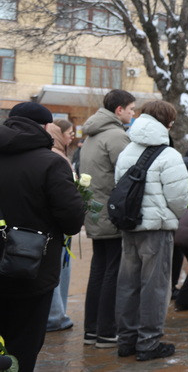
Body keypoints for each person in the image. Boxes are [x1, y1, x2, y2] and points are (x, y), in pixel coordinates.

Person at [0, 102, 84, 372]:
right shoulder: (50, 163)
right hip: (30, 269)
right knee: (23, 344)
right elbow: (72, 220)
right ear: (47, 126)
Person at [114, 100, 188, 361]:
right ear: (167, 121)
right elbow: (179, 199)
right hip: (156, 229)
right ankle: (148, 343)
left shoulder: (127, 151)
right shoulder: (168, 155)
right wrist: (172, 216)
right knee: (154, 286)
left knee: (127, 284)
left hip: (130, 225)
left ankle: (126, 341)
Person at [80, 89, 136, 349]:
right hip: (111, 215)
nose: (133, 113)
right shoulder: (116, 135)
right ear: (119, 110)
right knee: (112, 273)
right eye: (131, 109)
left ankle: (91, 331)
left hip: (95, 213)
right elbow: (128, 177)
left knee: (99, 271)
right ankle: (106, 332)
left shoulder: (93, 134)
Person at [45, 119, 77, 332]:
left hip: (55, 223)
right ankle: (56, 315)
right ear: (59, 134)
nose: (72, 136)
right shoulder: (56, 157)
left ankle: (58, 312)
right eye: (69, 132)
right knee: (58, 269)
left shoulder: (57, 153)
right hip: (57, 225)